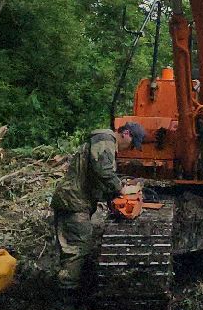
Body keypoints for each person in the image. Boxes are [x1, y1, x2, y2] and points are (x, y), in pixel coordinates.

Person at [49, 121, 147, 292]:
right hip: (74, 202)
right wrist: (121, 189)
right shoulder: (105, 140)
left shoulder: (104, 143)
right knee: (77, 249)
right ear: (126, 134)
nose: (130, 149)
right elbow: (103, 171)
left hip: (74, 201)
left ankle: (69, 287)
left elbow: (97, 177)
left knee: (73, 249)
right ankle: (66, 297)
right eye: (132, 144)